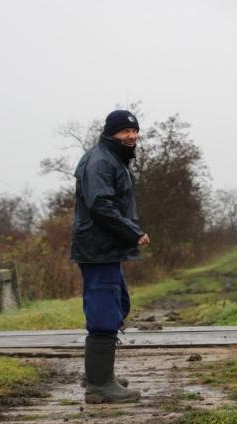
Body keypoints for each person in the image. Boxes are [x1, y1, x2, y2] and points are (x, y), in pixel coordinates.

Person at [71, 109, 150, 404]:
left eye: (134, 131)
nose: (131, 136)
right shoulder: (101, 161)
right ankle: (99, 385)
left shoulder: (111, 157)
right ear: (110, 133)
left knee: (117, 305)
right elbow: (100, 205)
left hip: (106, 249)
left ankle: (99, 374)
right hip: (98, 250)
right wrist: (132, 231)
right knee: (104, 312)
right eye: (124, 131)